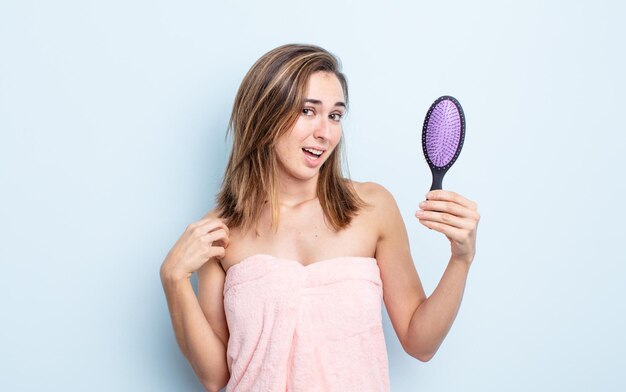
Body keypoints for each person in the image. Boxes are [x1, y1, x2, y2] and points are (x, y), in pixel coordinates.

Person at [160, 43, 480, 392]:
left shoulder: (372, 207)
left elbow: (421, 344)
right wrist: (173, 279)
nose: (324, 133)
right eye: (307, 111)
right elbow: (214, 376)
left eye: (335, 115)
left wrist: (461, 259)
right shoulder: (220, 230)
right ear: (265, 114)